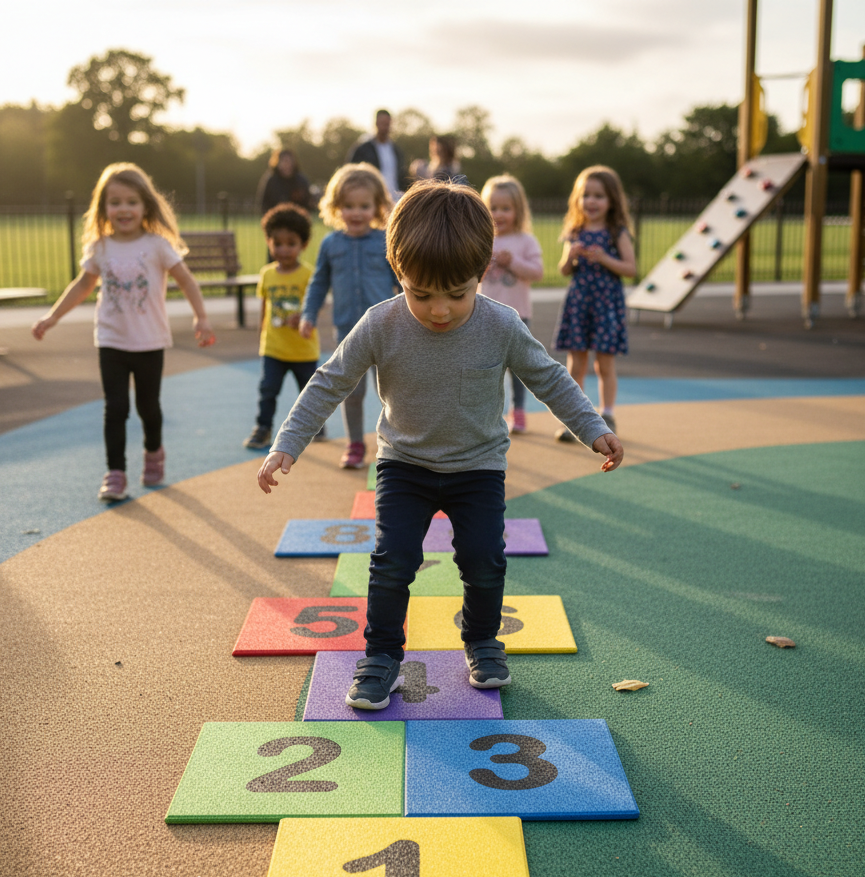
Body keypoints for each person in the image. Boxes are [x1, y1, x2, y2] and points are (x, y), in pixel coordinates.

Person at [257, 179, 623, 710]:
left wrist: (591, 426)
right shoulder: (380, 323)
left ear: (481, 274)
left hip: (477, 467)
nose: (440, 310)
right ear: (398, 272)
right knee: (392, 561)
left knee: (483, 560)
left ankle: (481, 640)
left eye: (458, 293)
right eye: (421, 293)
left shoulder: (500, 324)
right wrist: (288, 442)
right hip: (404, 465)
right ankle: (382, 655)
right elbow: (331, 380)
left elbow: (548, 376)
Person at [32, 162, 215, 502]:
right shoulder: (101, 247)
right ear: (104, 208)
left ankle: (153, 452)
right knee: (115, 407)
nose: (123, 209)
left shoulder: (158, 245)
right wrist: (52, 316)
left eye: (131, 201)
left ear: (145, 205)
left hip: (149, 341)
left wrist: (201, 317)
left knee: (149, 407)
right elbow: (83, 285)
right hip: (111, 340)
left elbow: (186, 280)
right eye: (115, 202)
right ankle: (115, 472)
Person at [299, 163, 397, 469]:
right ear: (335, 207)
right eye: (348, 206)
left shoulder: (385, 241)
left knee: (396, 391)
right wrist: (308, 314)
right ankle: (355, 443)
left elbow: (403, 280)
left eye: (364, 206)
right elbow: (318, 283)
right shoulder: (331, 244)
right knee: (352, 392)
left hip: (388, 328)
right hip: (348, 331)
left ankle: (399, 442)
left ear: (377, 207)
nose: (356, 213)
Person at [553, 165, 636, 439]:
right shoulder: (575, 231)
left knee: (604, 363)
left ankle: (607, 413)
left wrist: (605, 258)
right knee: (576, 363)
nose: (591, 201)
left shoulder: (617, 232)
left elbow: (630, 268)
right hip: (579, 304)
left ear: (611, 200)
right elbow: (564, 270)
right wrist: (571, 256)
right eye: (586, 195)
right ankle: (576, 417)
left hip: (606, 306)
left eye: (598, 195)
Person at [243, 204, 324, 451]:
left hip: (303, 349)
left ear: (303, 245)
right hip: (274, 348)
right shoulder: (267, 274)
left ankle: (314, 427)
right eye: (277, 243)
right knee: (267, 390)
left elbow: (316, 305)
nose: (284, 249)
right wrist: (261, 337)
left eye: (291, 243)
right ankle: (263, 428)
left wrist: (303, 318)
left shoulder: (309, 275)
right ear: (269, 243)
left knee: (308, 393)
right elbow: (265, 307)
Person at [478, 175, 543, 434]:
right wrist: (486, 265)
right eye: (493, 208)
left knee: (517, 368)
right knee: (486, 369)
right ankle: (488, 413)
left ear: (518, 210)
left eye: (506, 208)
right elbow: (473, 277)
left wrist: (512, 262)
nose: (499, 214)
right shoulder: (483, 239)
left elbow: (537, 272)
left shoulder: (525, 241)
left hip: (518, 316)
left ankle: (519, 411)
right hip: (484, 315)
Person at [348, 110, 406, 199]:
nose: (385, 127)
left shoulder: (396, 151)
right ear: (376, 123)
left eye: (387, 124)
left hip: (394, 199)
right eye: (382, 123)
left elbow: (402, 176)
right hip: (372, 198)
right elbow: (351, 172)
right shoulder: (363, 149)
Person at [257, 150, 313, 214]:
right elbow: (263, 204)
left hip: (297, 220)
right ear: (277, 163)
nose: (287, 164)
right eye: (283, 161)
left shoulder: (301, 181)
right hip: (276, 220)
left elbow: (309, 203)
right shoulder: (271, 181)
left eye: (289, 161)